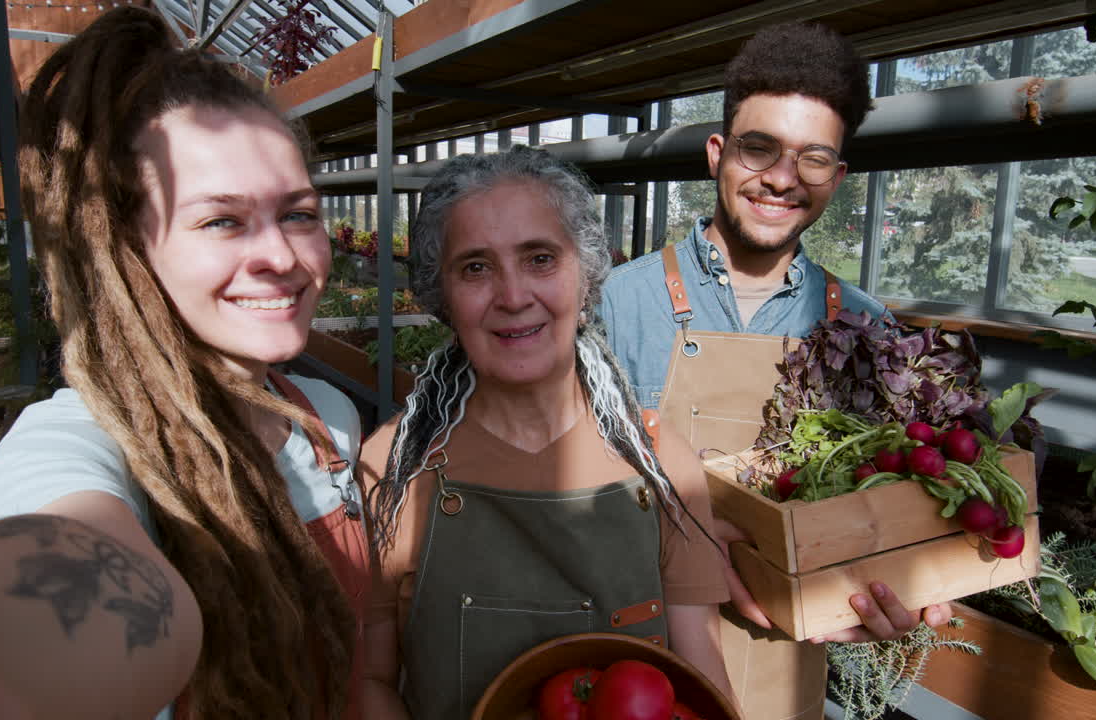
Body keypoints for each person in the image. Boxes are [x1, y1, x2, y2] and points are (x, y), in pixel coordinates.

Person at [0, 7, 366, 719]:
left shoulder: (330, 420)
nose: (283, 257)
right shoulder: (79, 443)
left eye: (298, 213)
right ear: (130, 250)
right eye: (221, 221)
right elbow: (85, 566)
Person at [598, 20, 952, 720]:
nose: (783, 179)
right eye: (760, 148)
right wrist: (688, 543)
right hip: (631, 656)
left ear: (837, 178)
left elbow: (880, 502)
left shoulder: (862, 325)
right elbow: (577, 483)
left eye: (814, 159)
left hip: (784, 661)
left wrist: (900, 577)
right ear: (718, 154)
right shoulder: (623, 299)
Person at [359, 146, 739, 719]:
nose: (513, 297)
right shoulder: (395, 466)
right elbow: (368, 682)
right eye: (476, 267)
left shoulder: (659, 464)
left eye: (539, 258)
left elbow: (703, 679)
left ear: (585, 273)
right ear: (442, 295)